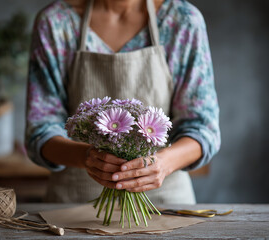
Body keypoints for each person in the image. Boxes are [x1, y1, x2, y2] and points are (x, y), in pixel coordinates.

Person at [25, 0, 220, 203]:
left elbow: (202, 128)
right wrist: (87, 158)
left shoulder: (182, 21)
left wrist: (163, 163)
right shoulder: (56, 23)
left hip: (165, 204)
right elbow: (40, 130)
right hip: (73, 207)